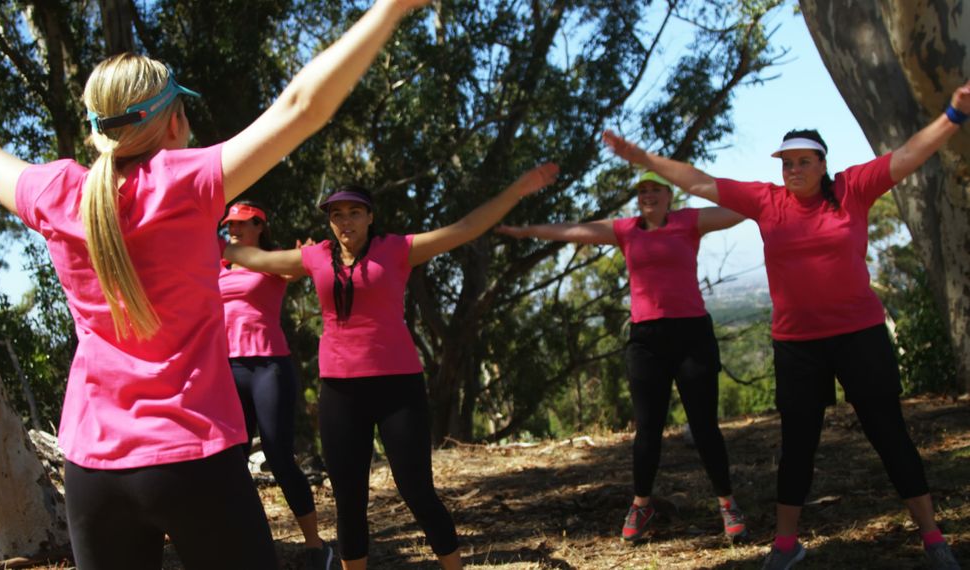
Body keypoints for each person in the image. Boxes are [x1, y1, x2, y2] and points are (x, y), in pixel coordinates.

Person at [0, 1, 429, 567]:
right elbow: (303, 105)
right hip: (194, 457)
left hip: (92, 471)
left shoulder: (54, 191)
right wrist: (389, 9)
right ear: (172, 119)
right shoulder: (188, 181)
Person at [603, 79, 970, 570]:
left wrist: (954, 114)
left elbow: (908, 154)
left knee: (890, 435)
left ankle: (931, 538)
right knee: (798, 445)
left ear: (822, 164)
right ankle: (785, 545)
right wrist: (645, 159)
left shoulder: (853, 189)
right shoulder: (767, 201)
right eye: (786, 162)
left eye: (803, 161)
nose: (793, 169)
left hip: (860, 336)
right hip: (797, 346)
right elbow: (698, 182)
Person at [225, 164, 560, 570]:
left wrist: (517, 190)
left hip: (397, 387)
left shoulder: (398, 248)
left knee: (416, 490)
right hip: (339, 391)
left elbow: (466, 227)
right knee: (349, 498)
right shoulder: (315, 256)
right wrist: (200, 234)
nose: (344, 221)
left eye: (353, 212)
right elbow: (254, 257)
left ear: (370, 216)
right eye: (336, 214)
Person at [496, 171, 748, 543]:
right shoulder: (626, 229)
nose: (648, 196)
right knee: (648, 429)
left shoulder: (688, 221)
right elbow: (574, 231)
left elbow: (742, 208)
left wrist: (775, 192)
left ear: (668, 195)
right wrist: (524, 230)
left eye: (655, 190)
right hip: (646, 340)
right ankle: (641, 504)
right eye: (642, 191)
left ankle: (727, 504)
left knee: (705, 425)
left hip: (692, 334)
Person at [219, 200, 331, 569]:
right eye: (230, 224)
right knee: (231, 463)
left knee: (279, 456)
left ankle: (315, 546)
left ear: (259, 228)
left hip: (269, 365)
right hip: (229, 368)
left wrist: (307, 254)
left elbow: (298, 267)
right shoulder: (217, 265)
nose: (233, 229)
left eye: (241, 224)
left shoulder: (270, 262)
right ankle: (246, 545)